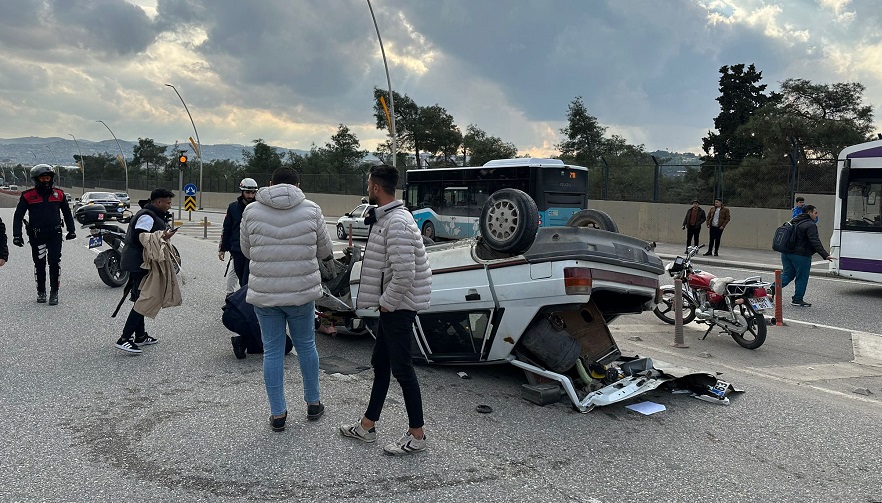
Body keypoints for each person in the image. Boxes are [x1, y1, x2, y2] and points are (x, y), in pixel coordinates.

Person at [339, 164, 432, 456]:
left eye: (369, 184)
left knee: (402, 369)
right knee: (380, 363)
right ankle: (367, 426)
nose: (368, 188)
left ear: (376, 187)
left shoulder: (397, 223)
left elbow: (405, 274)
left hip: (398, 307)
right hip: (393, 306)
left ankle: (417, 434)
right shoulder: (387, 218)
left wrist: (386, 303)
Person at [240, 167, 334, 430]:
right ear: (298, 186)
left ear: (270, 184)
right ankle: (313, 403)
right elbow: (325, 249)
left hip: (266, 293)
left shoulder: (251, 211)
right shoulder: (312, 209)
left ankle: (278, 414)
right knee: (306, 346)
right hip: (302, 293)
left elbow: (247, 251)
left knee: (272, 351)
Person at [114, 188, 180, 353]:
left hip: (141, 262)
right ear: (158, 202)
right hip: (139, 263)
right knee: (146, 299)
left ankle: (140, 336)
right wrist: (161, 237)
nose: (170, 205)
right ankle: (124, 338)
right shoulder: (147, 216)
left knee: (140, 298)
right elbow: (139, 236)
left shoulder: (153, 214)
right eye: (168, 202)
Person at [11, 165, 76, 305]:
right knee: (39, 263)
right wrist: (17, 235)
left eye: (48, 177)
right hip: (37, 235)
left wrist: (72, 230)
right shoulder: (27, 196)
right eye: (43, 178)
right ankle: (41, 292)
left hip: (55, 234)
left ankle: (54, 292)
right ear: (36, 179)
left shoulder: (59, 194)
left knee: (54, 262)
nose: (46, 180)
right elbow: (18, 216)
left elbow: (67, 213)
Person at [776, 205, 834, 307]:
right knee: (802, 277)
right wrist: (825, 255)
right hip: (801, 255)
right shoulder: (810, 225)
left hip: (786, 253)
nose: (816, 215)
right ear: (809, 213)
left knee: (787, 275)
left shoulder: (793, 221)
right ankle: (797, 299)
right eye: (815, 213)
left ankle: (771, 289)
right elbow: (815, 241)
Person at [219, 178, 258, 288]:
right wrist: (222, 248)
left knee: (249, 279)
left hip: (254, 249)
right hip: (237, 249)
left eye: (253, 193)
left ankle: (247, 298)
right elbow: (227, 228)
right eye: (247, 193)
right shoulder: (233, 207)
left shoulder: (259, 208)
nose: (250, 196)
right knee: (241, 277)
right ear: (242, 192)